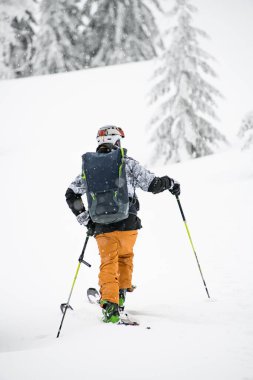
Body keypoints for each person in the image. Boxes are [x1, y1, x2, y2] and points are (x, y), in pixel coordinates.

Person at [65, 125, 180, 323]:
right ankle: (119, 296)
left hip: (102, 227)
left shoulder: (89, 168)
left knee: (109, 262)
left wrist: (87, 221)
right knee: (125, 257)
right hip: (129, 225)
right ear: (116, 141)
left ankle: (110, 308)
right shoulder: (126, 162)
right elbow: (152, 184)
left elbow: (71, 194)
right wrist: (170, 183)